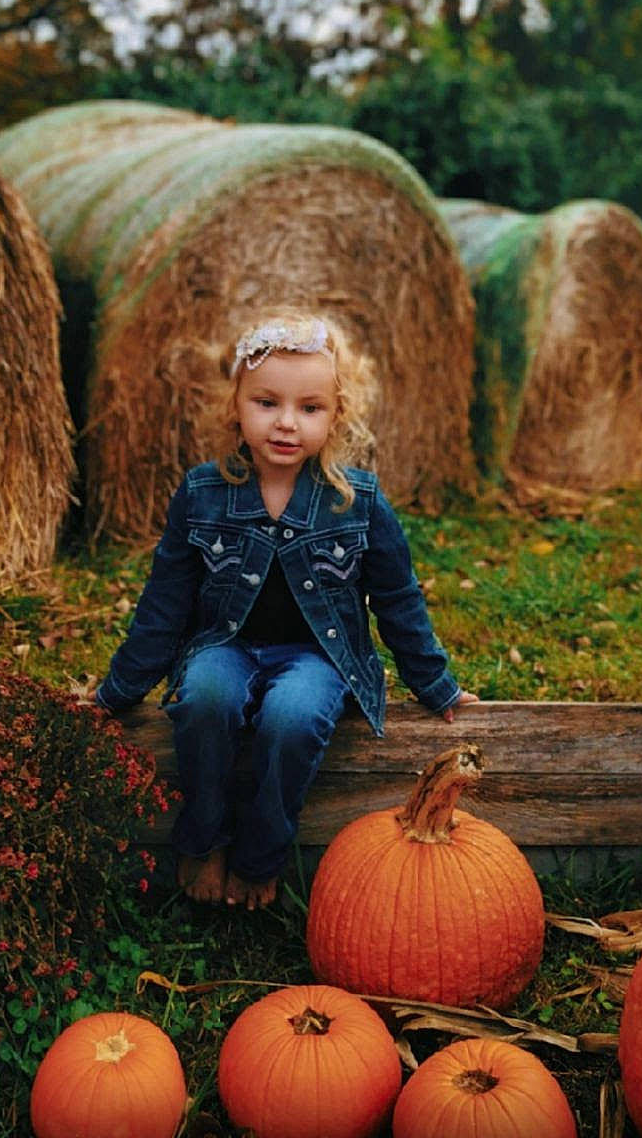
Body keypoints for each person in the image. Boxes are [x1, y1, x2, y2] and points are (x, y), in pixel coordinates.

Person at [86, 308, 478, 910]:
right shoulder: (201, 493)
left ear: (335, 415)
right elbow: (164, 604)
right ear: (235, 408)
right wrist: (117, 693)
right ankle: (205, 838)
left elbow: (398, 601)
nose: (286, 423)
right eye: (267, 403)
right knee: (206, 698)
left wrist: (436, 685)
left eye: (309, 408)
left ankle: (261, 855)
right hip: (225, 643)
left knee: (293, 718)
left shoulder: (360, 503)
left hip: (317, 657)